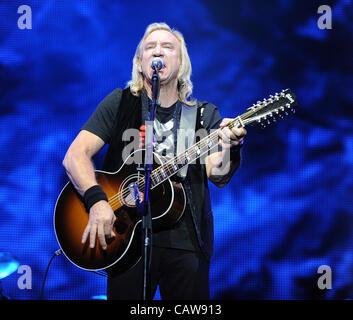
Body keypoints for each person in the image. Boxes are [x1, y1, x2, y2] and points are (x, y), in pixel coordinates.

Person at [62, 22, 247, 300]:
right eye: (150, 48)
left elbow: (218, 175)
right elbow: (74, 156)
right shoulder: (119, 102)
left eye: (167, 47)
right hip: (126, 241)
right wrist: (97, 200)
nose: (158, 52)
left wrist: (232, 148)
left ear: (181, 62)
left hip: (187, 245)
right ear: (139, 62)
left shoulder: (203, 115)